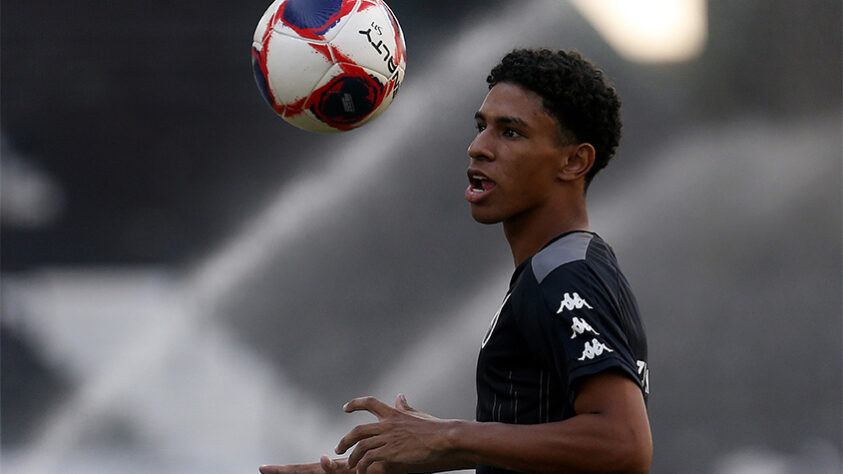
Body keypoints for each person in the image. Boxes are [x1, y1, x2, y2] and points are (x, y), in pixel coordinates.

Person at [260, 48, 652, 474]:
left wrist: (449, 436)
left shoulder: (566, 274)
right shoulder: (557, 269)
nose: (478, 147)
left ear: (574, 161)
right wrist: (404, 460)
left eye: (511, 133)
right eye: (481, 126)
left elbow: (624, 444)